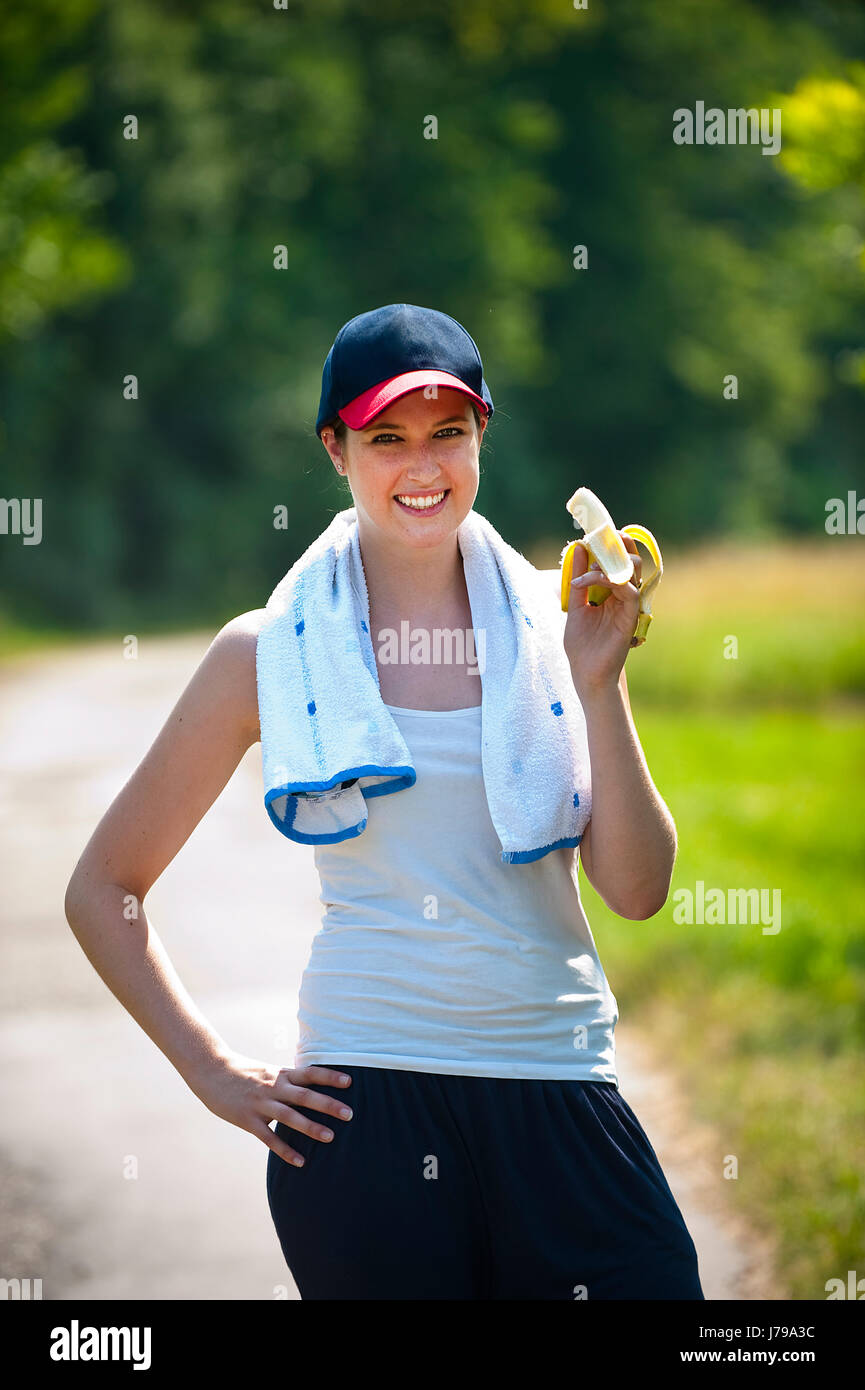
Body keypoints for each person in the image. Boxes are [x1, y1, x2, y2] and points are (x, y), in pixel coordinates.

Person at [65, 302, 704, 1301]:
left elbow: (637, 889)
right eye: (385, 438)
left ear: (481, 433)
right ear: (336, 449)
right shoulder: (268, 652)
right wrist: (216, 1073)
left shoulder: (557, 615)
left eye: (447, 432)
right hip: (369, 1116)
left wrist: (598, 683)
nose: (422, 466)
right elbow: (104, 887)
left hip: (559, 1084)